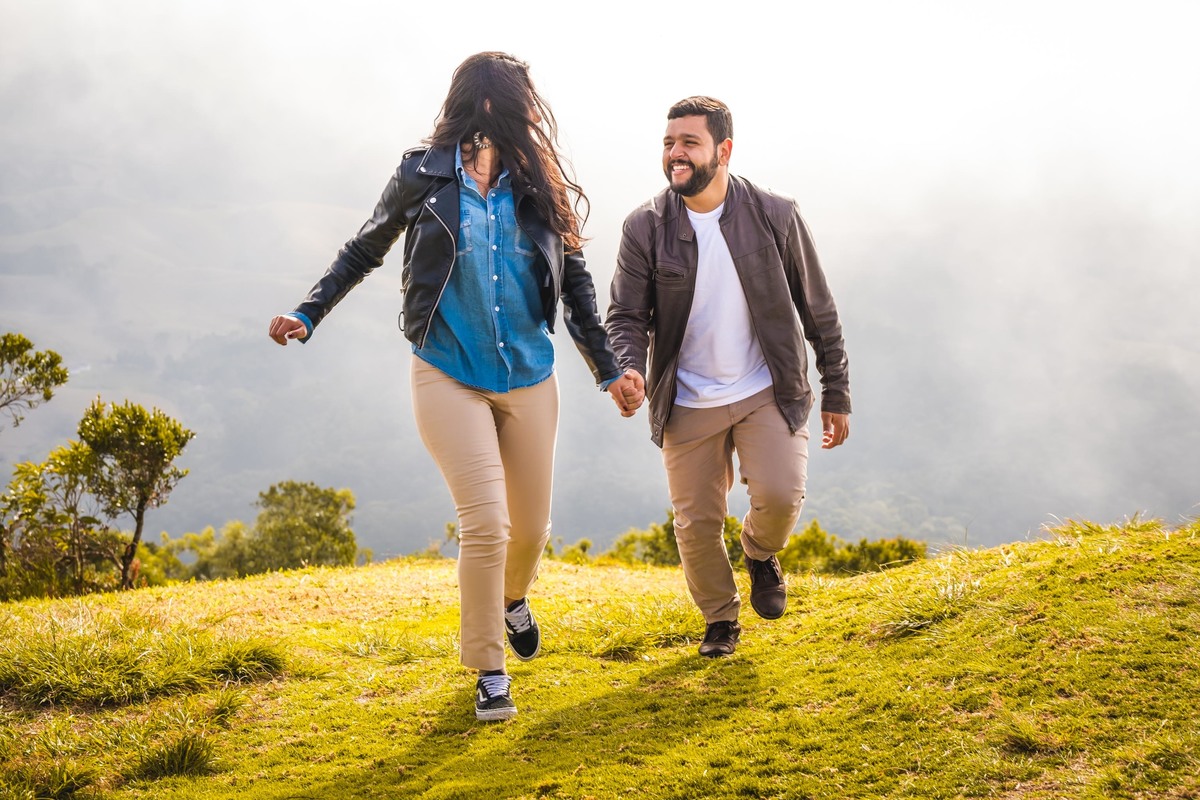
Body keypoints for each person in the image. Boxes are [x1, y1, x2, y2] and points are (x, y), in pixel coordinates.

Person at [268, 52, 643, 720]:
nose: (522, 113)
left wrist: (609, 369)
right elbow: (365, 248)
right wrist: (308, 312)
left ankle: (512, 598)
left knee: (530, 529)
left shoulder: (538, 181)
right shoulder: (423, 173)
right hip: (447, 370)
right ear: (486, 101)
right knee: (487, 524)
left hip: (529, 374)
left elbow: (576, 282)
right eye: (514, 100)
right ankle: (490, 671)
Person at [604, 96, 851, 657]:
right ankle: (720, 619)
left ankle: (760, 552)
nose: (675, 153)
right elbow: (625, 315)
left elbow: (818, 309)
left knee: (781, 497)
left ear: (724, 150)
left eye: (689, 143)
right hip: (687, 399)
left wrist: (837, 388)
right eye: (669, 143)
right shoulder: (645, 226)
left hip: (767, 389)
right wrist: (628, 367)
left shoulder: (775, 214)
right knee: (695, 524)